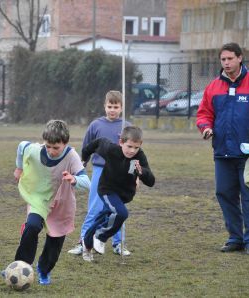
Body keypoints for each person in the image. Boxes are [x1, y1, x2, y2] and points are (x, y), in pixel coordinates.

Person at [196, 42, 249, 256]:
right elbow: (204, 114)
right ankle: (235, 238)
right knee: (225, 194)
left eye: (230, 58)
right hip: (222, 153)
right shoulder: (213, 87)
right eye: (223, 59)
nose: (226, 63)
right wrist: (205, 128)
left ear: (240, 58)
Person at [11, 120, 90, 285]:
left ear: (65, 143)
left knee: (55, 242)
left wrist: (74, 179)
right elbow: (21, 146)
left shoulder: (71, 156)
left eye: (56, 147)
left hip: (62, 203)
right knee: (32, 226)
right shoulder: (34, 150)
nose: (51, 151)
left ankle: (44, 270)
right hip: (39, 199)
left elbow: (87, 182)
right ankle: (20, 267)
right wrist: (19, 168)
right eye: (48, 146)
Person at [68, 90, 132, 256]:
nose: (112, 109)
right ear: (104, 106)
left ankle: (119, 244)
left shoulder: (127, 127)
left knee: (117, 210)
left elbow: (134, 151)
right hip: (99, 171)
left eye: (116, 106)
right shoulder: (95, 125)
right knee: (95, 207)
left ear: (121, 108)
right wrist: (82, 162)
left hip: (119, 174)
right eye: (109, 106)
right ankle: (84, 241)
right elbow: (87, 146)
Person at [80, 126, 155, 262]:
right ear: (121, 142)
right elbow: (97, 142)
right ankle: (100, 237)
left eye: (136, 147)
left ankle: (87, 243)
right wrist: (85, 157)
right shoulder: (111, 150)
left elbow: (151, 181)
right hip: (107, 190)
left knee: (103, 217)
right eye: (129, 146)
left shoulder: (139, 156)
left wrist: (141, 172)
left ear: (140, 145)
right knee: (121, 214)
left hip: (124, 195)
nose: (132, 151)